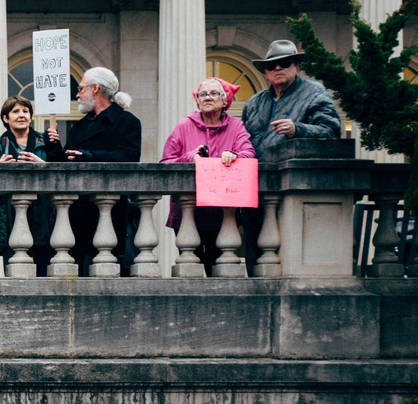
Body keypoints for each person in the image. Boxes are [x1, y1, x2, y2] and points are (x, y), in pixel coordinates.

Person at [44, 66, 142, 274]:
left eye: (81, 88)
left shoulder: (127, 122)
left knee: (110, 270)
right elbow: (66, 164)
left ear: (96, 88)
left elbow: (129, 157)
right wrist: (53, 148)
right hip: (78, 210)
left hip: (110, 208)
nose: (77, 94)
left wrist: (90, 157)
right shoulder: (80, 126)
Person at [161, 77, 256, 273]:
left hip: (222, 214)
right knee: (189, 270)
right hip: (188, 213)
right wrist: (190, 157)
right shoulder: (183, 126)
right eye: (203, 94)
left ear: (224, 101)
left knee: (219, 269)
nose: (207, 98)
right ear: (197, 101)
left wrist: (234, 155)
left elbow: (249, 153)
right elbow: (165, 163)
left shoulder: (236, 126)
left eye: (213, 94)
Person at [0, 95, 55, 274]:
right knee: (14, 276)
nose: (22, 115)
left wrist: (43, 166)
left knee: (44, 275)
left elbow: (64, 178)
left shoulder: (47, 144)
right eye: (15, 111)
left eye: (26, 111)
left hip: (42, 217)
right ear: (6, 118)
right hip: (8, 218)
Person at [240, 40, 343, 161]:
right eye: (271, 65)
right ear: (266, 74)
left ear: (298, 69)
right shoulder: (253, 103)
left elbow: (331, 132)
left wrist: (297, 130)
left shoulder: (315, 93)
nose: (278, 68)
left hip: (295, 176)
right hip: (257, 174)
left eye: (284, 63)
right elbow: (241, 142)